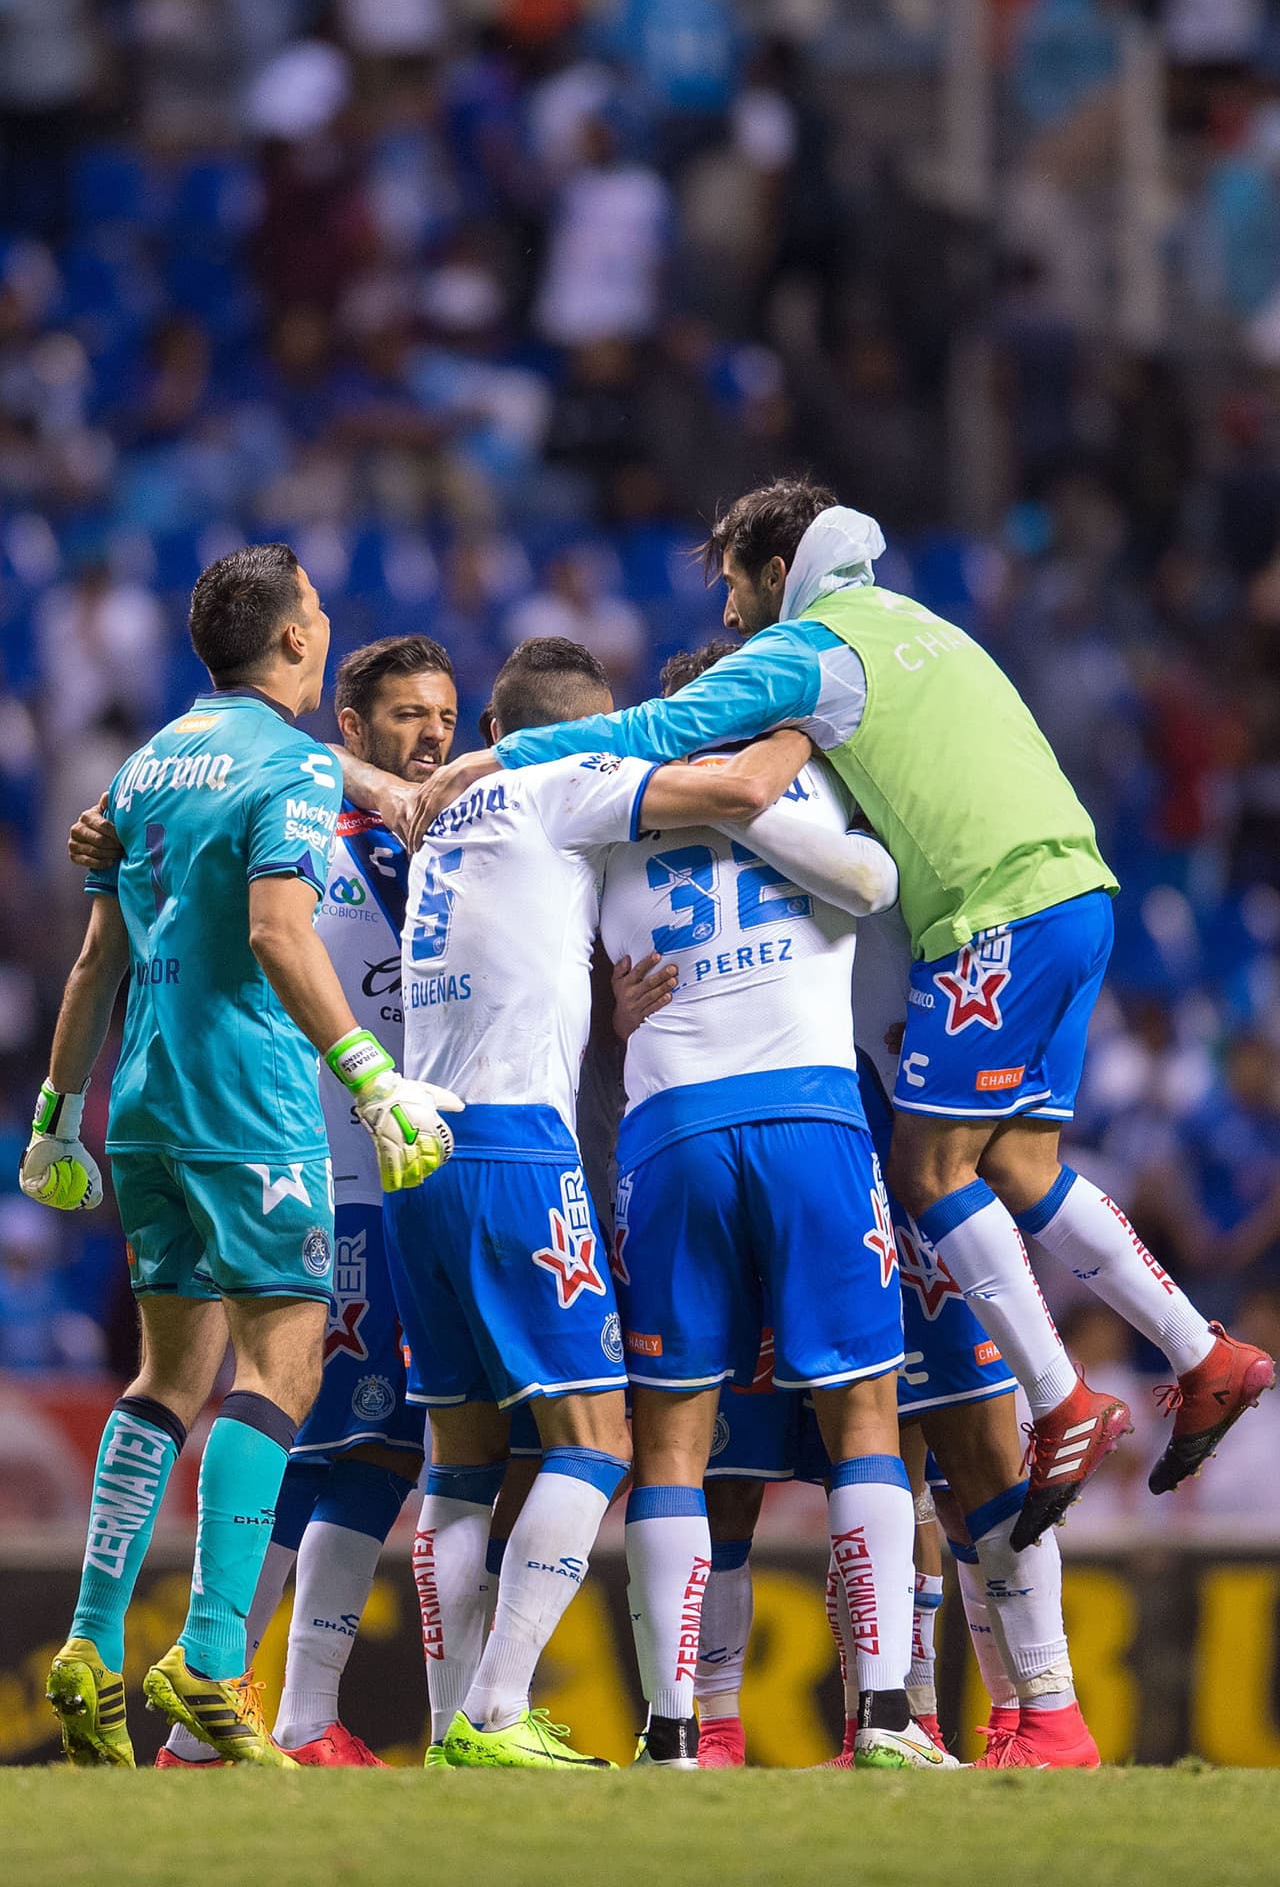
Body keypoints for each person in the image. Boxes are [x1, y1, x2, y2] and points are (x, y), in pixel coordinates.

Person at [417, 478, 1274, 1548]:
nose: (728, 618)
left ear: (779, 575)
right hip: (1076, 892)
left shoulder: (807, 647)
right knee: (1019, 1167)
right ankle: (1202, 1355)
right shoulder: (920, 621)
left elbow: (659, 725)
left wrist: (494, 758)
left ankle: (1058, 1400)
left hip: (988, 914)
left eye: (735, 587)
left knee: (926, 1171)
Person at [21, 544, 459, 1768]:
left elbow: (95, 959)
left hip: (142, 1101)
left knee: (166, 1379)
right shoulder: (286, 767)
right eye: (317, 612)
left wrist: (57, 1115)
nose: (325, 625)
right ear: (295, 644)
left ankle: (91, 1643)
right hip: (250, 1102)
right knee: (283, 1369)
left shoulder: (147, 765)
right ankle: (215, 1659)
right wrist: (370, 1080)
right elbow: (278, 929)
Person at [385, 635, 824, 1769]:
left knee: (461, 1461)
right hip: (514, 1150)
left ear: (488, 726)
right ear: (592, 725)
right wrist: (807, 718)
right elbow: (732, 791)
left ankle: (446, 1732)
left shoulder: (444, 819)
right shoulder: (561, 783)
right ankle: (492, 1709)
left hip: (414, 1152)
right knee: (595, 1442)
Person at [594, 654, 953, 1769]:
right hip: (809, 1115)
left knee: (672, 1441)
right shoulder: (822, 784)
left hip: (670, 1130)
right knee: (863, 1417)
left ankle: (671, 1734)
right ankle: (888, 1716)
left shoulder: (610, 804)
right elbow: (873, 888)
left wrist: (611, 1011)